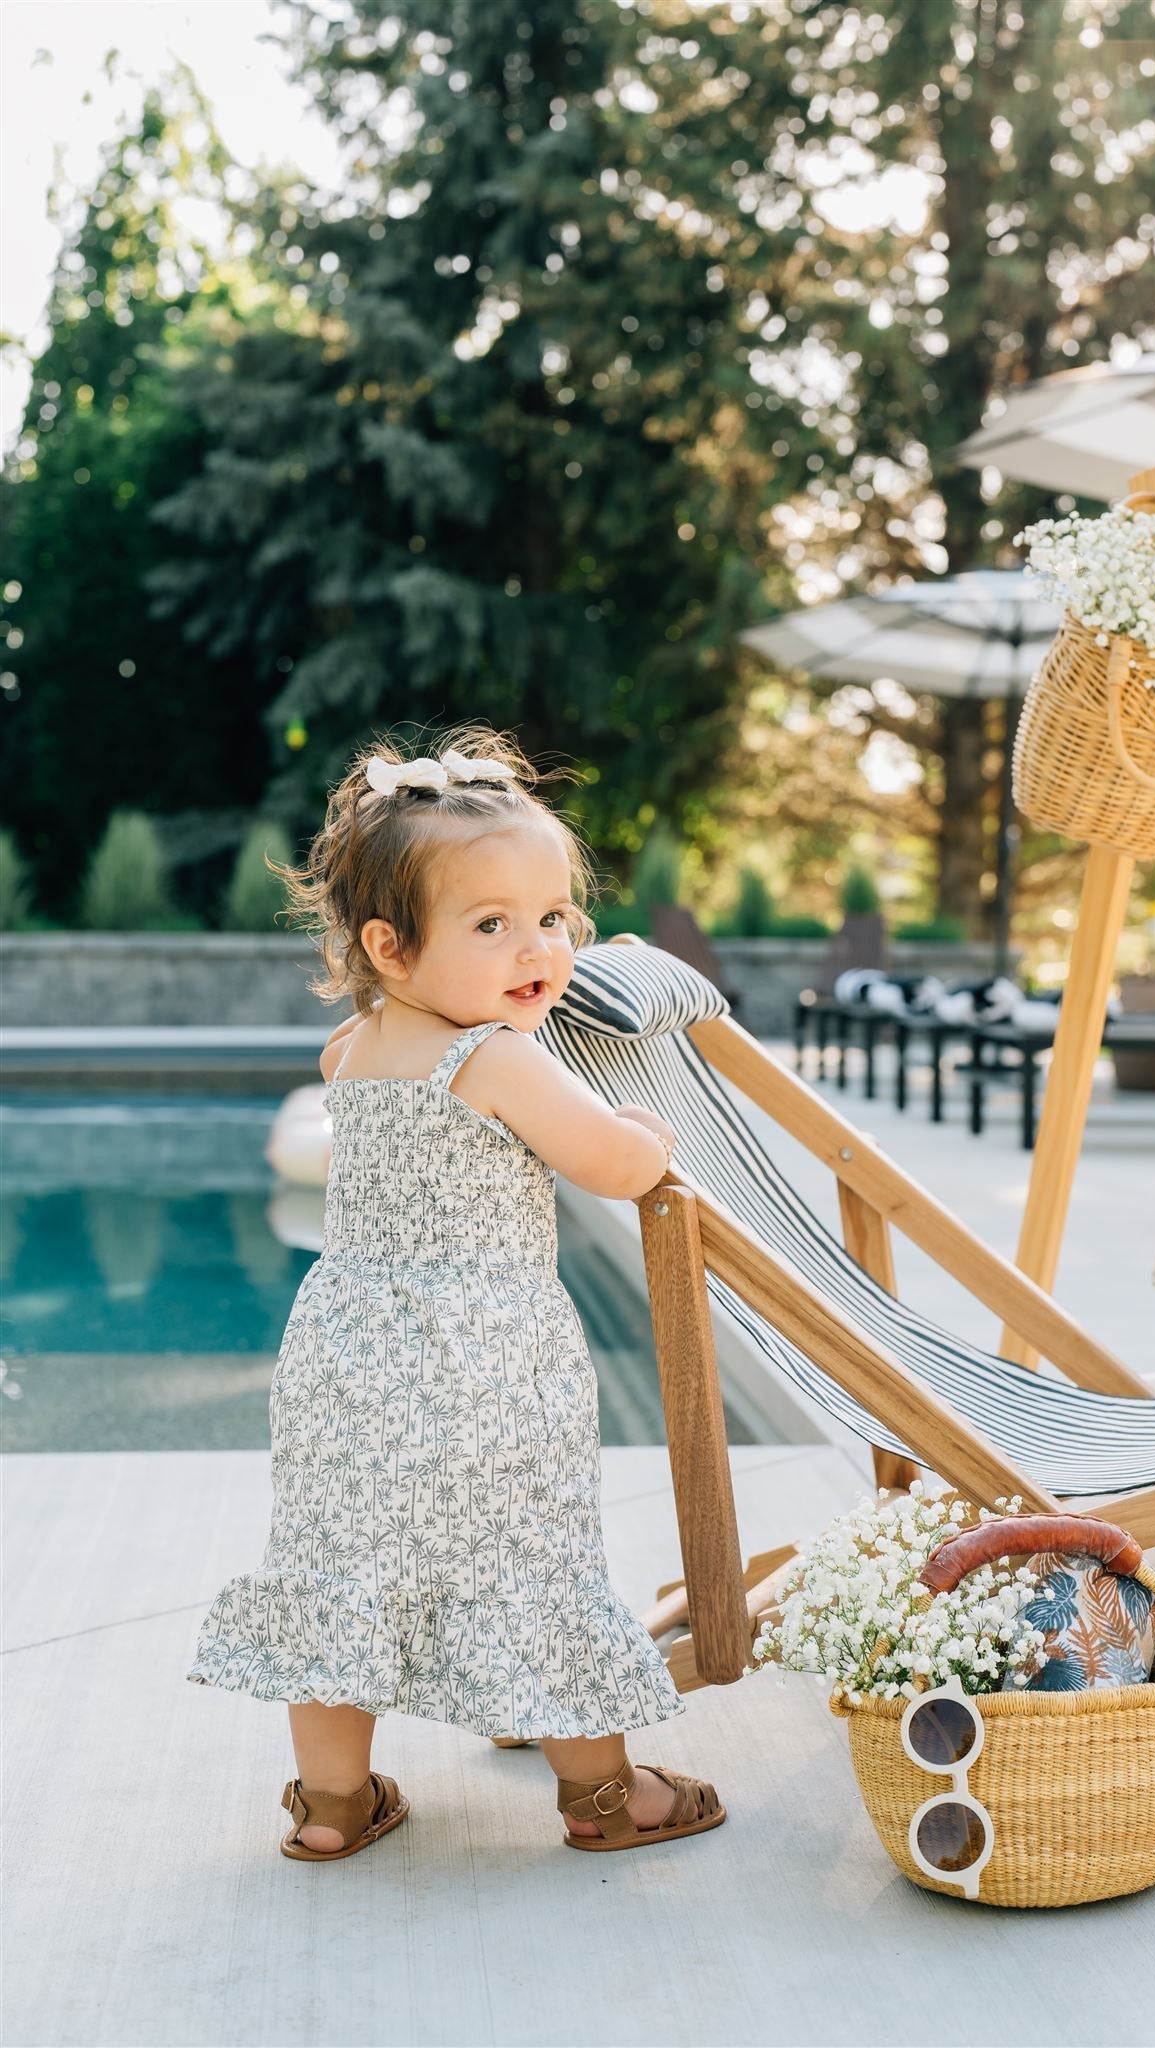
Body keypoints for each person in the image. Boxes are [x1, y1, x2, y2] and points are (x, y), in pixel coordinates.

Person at [187, 725, 725, 1860]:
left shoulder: (353, 1048)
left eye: (552, 920)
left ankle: (332, 1805)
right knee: (530, 1556)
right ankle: (605, 1795)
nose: (537, 949)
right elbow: (617, 1166)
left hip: (346, 1358)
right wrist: (642, 1125)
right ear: (391, 943)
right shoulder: (497, 1057)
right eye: (492, 926)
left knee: (342, 1562)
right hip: (487, 1358)